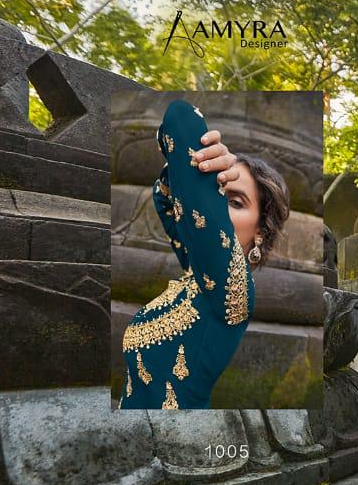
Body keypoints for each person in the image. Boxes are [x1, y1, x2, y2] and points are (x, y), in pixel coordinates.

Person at [118, 98, 290, 409]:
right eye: (216, 194)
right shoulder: (197, 274)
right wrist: (195, 160)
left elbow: (180, 115)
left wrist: (200, 154)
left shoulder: (229, 288)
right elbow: (164, 198)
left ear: (261, 231)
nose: (216, 205)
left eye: (234, 201)